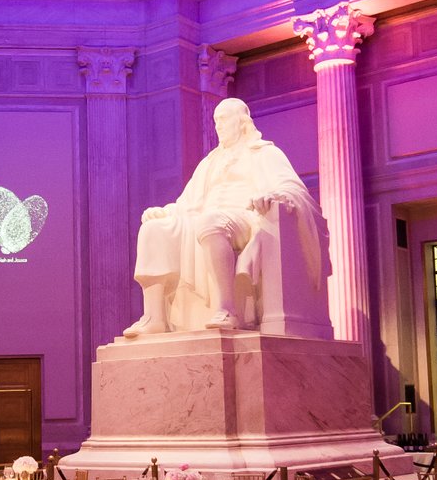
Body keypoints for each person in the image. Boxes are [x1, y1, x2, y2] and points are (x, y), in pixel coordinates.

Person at [123, 98, 324, 337]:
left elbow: (292, 188)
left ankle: (227, 308)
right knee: (153, 230)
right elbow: (188, 202)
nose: (218, 126)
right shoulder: (210, 162)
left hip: (246, 216)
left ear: (241, 122)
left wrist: (274, 194)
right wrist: (167, 212)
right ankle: (154, 317)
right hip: (205, 217)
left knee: (212, 223)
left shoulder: (264, 153)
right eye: (216, 120)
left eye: (224, 120)